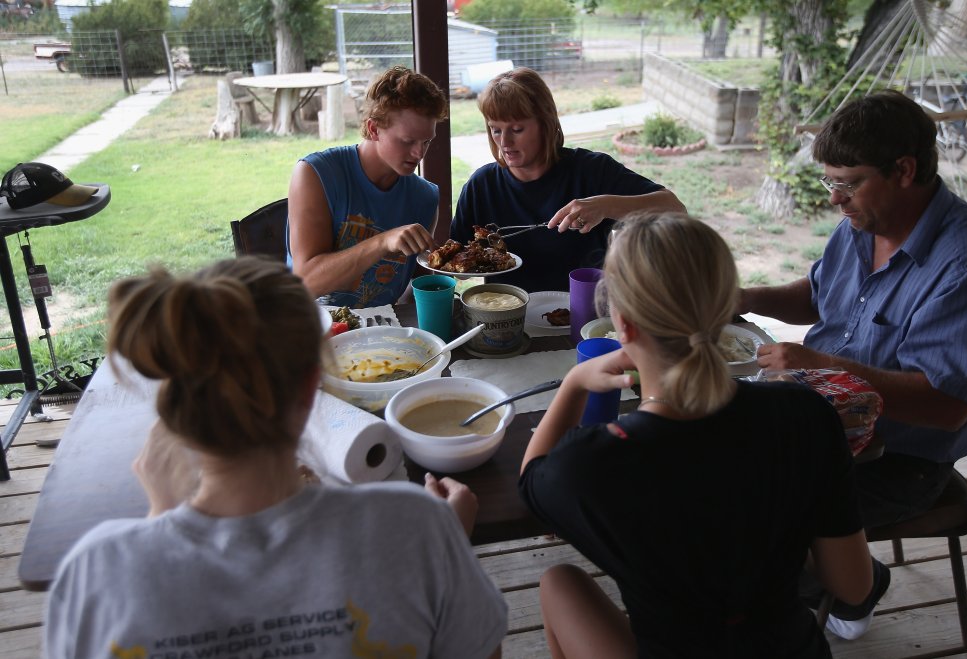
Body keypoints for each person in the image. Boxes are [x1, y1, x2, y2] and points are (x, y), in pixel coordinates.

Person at [44, 257, 507, 658]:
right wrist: (447, 545)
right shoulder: (417, 525)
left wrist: (160, 518)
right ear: (312, 388)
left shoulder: (95, 570)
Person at [518, 212, 874, 658]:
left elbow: (531, 480)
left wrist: (574, 384)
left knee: (559, 580)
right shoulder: (806, 414)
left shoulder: (593, 463)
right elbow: (853, 586)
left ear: (622, 325)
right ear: (724, 308)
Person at [739, 90, 967, 639]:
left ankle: (854, 590)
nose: (835, 200)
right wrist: (746, 298)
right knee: (701, 457)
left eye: (848, 183)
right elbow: (818, 297)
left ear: (904, 171)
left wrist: (824, 366)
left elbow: (947, 407)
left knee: (739, 501)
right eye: (830, 182)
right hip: (824, 421)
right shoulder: (863, 223)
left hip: (898, 462)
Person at [450, 67, 686, 292]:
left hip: (584, 312)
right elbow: (456, 269)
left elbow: (675, 210)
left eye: (517, 129)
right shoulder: (482, 185)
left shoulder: (592, 170)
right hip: (504, 314)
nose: (505, 142)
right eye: (496, 130)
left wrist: (605, 205)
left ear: (546, 123)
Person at [288, 66, 447, 307]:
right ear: (373, 129)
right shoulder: (316, 174)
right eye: (408, 141)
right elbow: (306, 281)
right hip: (311, 321)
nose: (419, 153)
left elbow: (418, 285)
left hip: (385, 326)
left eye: (426, 142)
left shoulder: (425, 197)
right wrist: (382, 242)